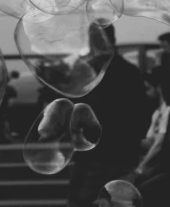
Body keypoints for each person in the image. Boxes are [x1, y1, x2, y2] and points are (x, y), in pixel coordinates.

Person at [67, 23, 150, 207]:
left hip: (93, 152)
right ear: (113, 40)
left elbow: (75, 111)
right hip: (125, 150)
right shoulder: (130, 70)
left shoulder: (85, 70)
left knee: (83, 199)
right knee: (118, 201)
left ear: (91, 42)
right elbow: (144, 111)